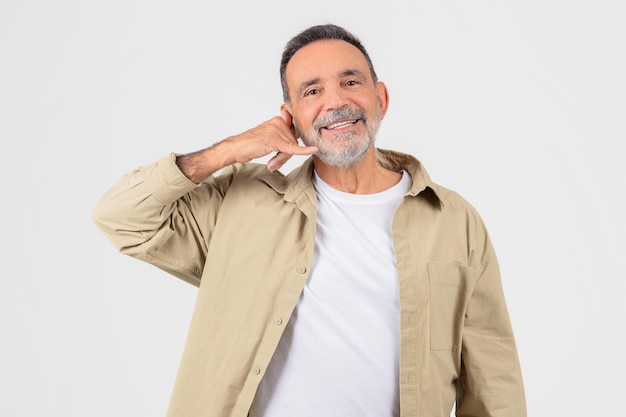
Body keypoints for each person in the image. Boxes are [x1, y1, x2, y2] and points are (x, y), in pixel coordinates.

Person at [93, 23, 526, 417]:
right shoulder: (241, 202)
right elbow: (121, 216)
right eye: (312, 92)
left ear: (381, 99)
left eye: (350, 82)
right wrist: (229, 150)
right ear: (292, 118)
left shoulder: (454, 220)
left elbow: (493, 383)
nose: (335, 101)